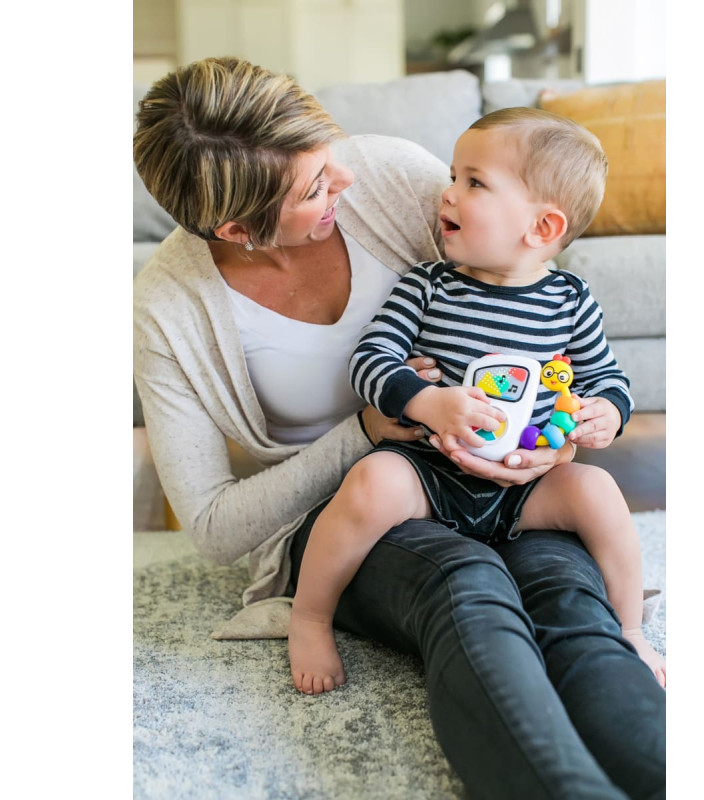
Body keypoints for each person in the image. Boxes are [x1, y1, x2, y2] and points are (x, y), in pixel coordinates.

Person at [133, 57, 666, 799]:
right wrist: (375, 427)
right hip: (371, 500)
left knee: (571, 602)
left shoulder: (392, 180)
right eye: (316, 187)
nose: (346, 180)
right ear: (237, 228)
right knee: (469, 586)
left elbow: (559, 344)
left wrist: (561, 437)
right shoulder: (167, 310)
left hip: (510, 481)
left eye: (330, 153)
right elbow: (218, 528)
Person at [289, 107, 667, 696]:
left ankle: (630, 629)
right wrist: (427, 403)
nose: (447, 193)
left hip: (523, 480)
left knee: (598, 491)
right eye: (453, 176)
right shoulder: (428, 284)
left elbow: (607, 378)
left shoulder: (570, 300)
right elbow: (369, 359)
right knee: (369, 484)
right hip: (431, 470)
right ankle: (310, 616)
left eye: (474, 182)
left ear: (542, 227)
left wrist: (608, 414)